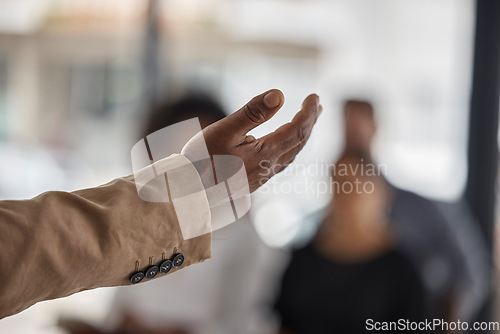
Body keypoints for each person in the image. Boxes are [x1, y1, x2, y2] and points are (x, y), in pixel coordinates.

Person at [0, 89, 323, 320]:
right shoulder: (155, 234)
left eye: (193, 157)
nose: (186, 168)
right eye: (177, 158)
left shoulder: (241, 237)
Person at [274, 154, 429, 334]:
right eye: (336, 185)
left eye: (352, 187)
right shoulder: (303, 259)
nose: (342, 198)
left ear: (380, 195)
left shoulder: (402, 270)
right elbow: (284, 323)